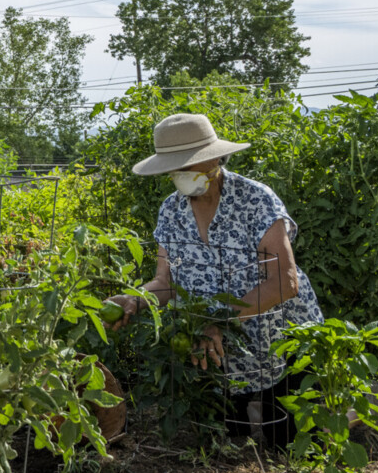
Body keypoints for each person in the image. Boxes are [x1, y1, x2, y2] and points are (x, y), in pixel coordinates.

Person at [107, 113, 327, 448]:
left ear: (214, 159)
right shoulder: (171, 211)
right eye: (175, 169)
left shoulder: (256, 200)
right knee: (228, 442)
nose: (182, 175)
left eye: (189, 165)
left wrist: (217, 320)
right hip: (217, 347)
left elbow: (283, 282)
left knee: (289, 439)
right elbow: (165, 282)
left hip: (279, 334)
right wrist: (136, 299)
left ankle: (360, 415)